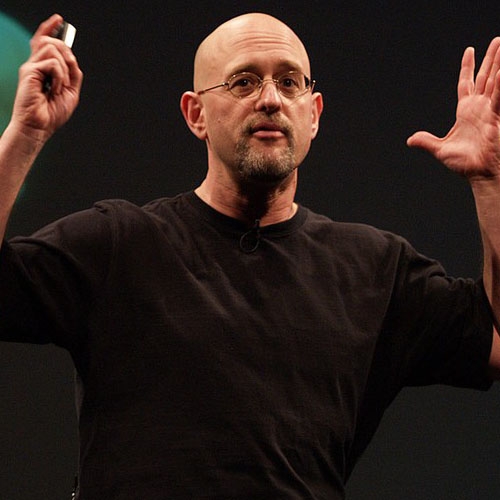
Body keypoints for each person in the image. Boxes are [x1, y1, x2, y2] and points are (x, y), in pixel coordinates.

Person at [1, 11, 500, 499]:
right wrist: (26, 133)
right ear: (196, 114)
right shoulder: (119, 243)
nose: (270, 99)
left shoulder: (373, 269)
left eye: (289, 82)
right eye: (243, 82)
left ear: (313, 114)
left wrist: (491, 181)